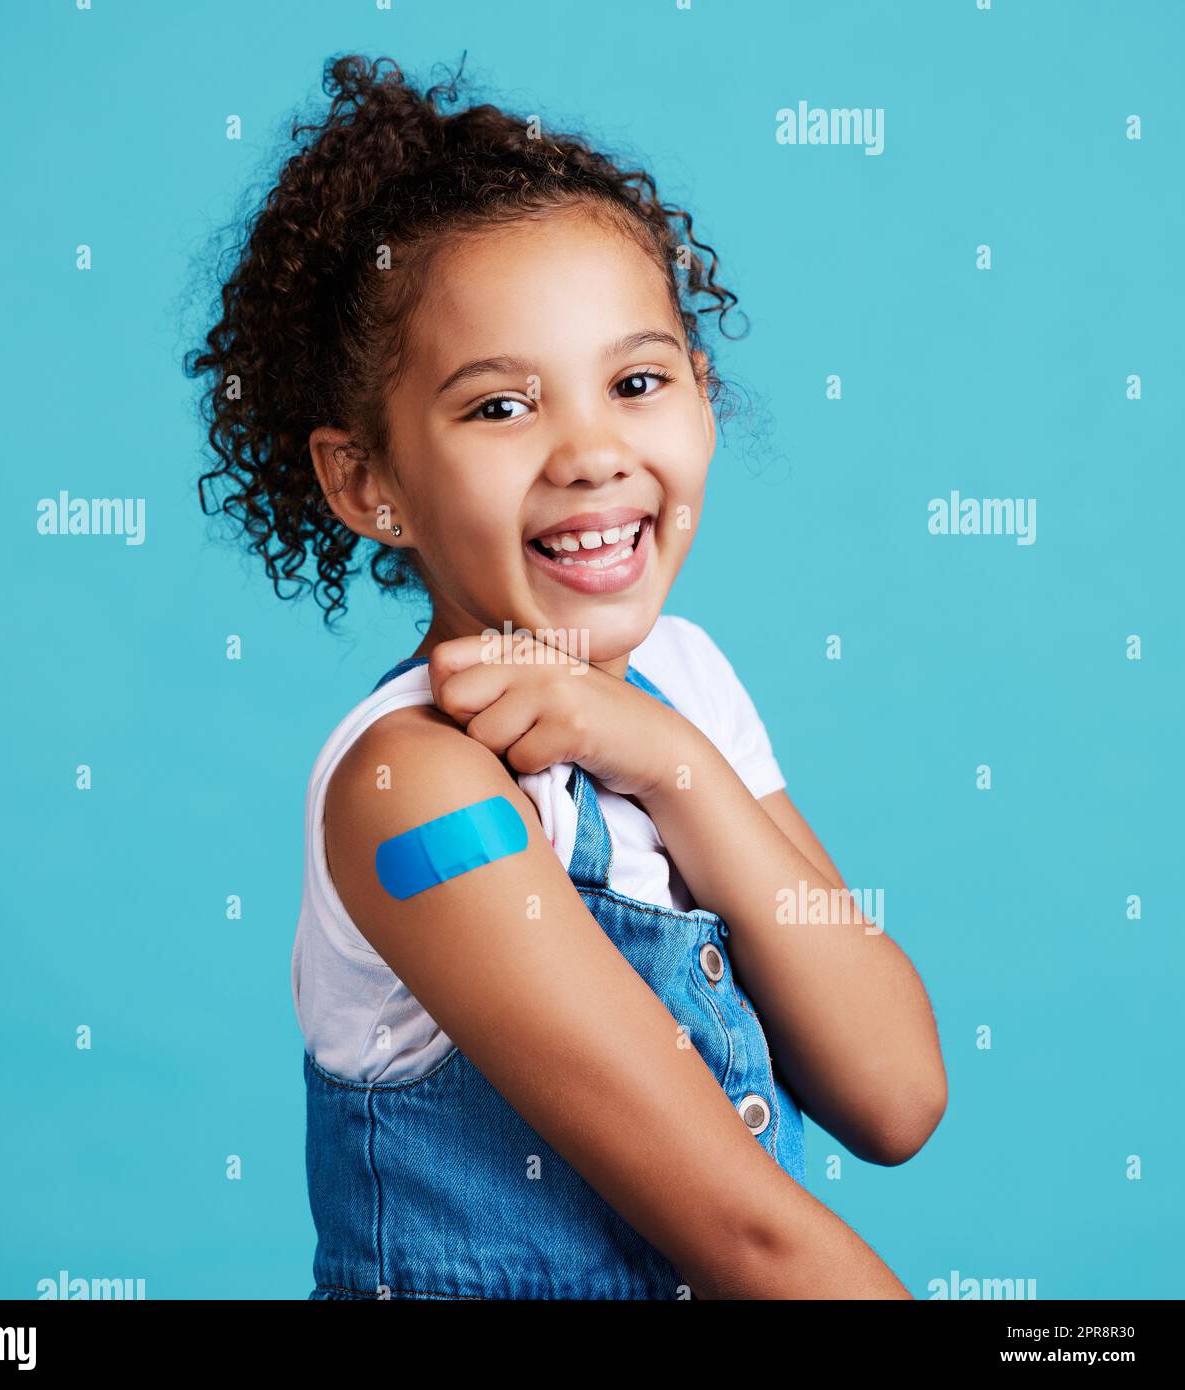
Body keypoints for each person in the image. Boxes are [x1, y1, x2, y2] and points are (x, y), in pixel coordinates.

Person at [188, 52, 947, 1300]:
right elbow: (747, 1237)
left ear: (703, 398)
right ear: (366, 483)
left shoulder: (688, 689)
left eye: (637, 382)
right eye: (499, 408)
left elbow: (895, 1087)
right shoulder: (413, 789)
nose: (591, 453)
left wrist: (674, 763)